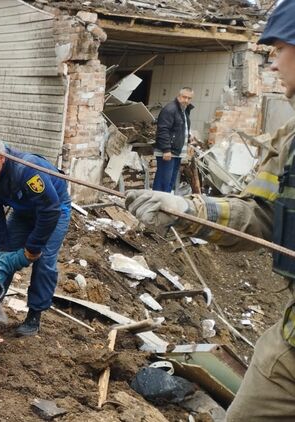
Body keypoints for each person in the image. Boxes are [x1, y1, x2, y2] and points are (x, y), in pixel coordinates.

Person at [126, 3, 295, 418]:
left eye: (277, 48)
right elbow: (261, 217)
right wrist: (185, 208)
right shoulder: (290, 139)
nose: (271, 62)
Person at [0, 135, 71, 336]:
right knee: (4, 256)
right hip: (23, 211)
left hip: (54, 210)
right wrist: (2, 249)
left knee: (44, 261)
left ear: (1, 158)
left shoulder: (27, 170)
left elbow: (49, 210)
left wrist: (33, 247)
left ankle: (34, 315)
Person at [153, 87, 194, 193]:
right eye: (184, 97)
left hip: (176, 151)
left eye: (189, 98)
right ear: (178, 96)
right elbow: (163, 130)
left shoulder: (185, 110)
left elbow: (180, 129)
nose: (186, 100)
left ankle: (165, 204)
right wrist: (166, 150)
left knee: (170, 181)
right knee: (163, 181)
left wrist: (188, 138)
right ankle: (158, 204)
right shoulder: (170, 109)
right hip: (168, 151)